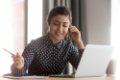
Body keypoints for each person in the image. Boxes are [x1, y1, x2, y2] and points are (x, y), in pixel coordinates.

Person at [11, 6, 84, 76]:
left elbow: (83, 68)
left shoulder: (68, 47)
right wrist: (19, 66)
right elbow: (20, 72)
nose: (60, 29)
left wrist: (79, 41)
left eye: (64, 25)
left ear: (69, 27)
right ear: (49, 23)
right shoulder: (34, 45)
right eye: (56, 24)